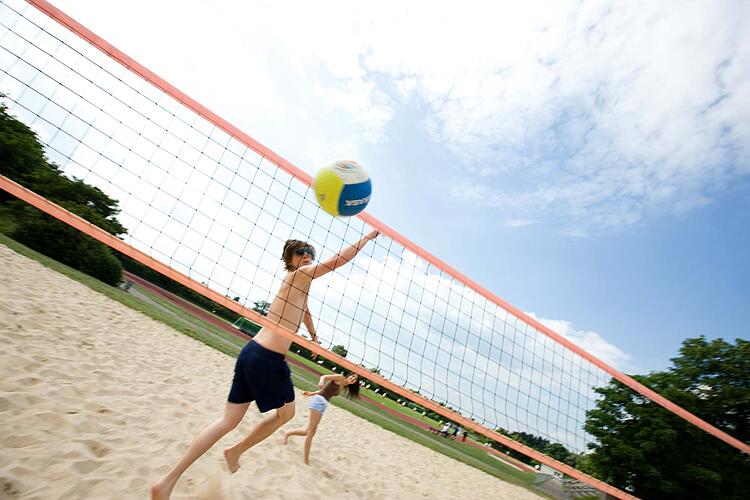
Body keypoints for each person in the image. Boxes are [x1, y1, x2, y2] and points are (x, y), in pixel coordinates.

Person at [151, 230, 379, 499]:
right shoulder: (298, 275)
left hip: (252, 352)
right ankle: (234, 452)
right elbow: (335, 263)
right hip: (267, 359)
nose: (307, 256)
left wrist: (314, 336)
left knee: (228, 421)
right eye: (301, 252)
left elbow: (305, 310)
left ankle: (166, 482)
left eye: (310, 253)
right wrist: (366, 238)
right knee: (287, 414)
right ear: (290, 260)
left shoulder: (300, 285)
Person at [283, 372, 360, 464]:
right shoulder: (340, 377)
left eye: (355, 379)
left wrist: (311, 393)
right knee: (311, 433)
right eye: (352, 376)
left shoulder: (343, 387)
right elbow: (324, 377)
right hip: (318, 402)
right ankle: (306, 459)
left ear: (354, 383)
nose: (352, 379)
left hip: (323, 405)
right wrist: (321, 381)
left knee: (307, 431)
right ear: (349, 376)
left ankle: (288, 433)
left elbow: (325, 391)